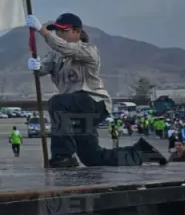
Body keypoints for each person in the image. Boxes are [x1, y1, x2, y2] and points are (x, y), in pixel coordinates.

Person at [25, 13, 166, 168]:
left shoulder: (89, 50)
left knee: (56, 102)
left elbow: (66, 48)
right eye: (56, 31)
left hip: (93, 102)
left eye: (63, 31)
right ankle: (141, 152)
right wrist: (36, 67)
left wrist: (43, 31)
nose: (59, 34)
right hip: (73, 109)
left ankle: (63, 156)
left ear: (77, 32)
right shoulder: (55, 56)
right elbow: (43, 68)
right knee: (91, 157)